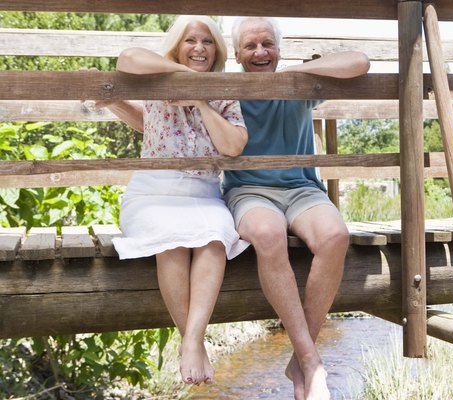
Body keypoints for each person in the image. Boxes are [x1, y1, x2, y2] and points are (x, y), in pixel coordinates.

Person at [97, 15, 249, 386]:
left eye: (208, 42)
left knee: (215, 238)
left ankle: (191, 339)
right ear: (177, 46)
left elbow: (232, 147)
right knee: (173, 241)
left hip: (203, 193)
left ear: (217, 51)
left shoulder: (224, 91)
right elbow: (128, 57)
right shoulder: (155, 78)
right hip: (153, 191)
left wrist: (199, 96)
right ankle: (195, 343)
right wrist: (179, 76)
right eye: (191, 40)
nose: (199, 48)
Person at [224, 17, 370, 400]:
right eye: (251, 46)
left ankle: (300, 358)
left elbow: (359, 62)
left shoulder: (298, 84)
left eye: (267, 44)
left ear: (278, 49)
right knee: (268, 234)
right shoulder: (225, 90)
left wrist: (296, 73)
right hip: (249, 191)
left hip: (302, 189)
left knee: (336, 235)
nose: (260, 53)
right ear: (236, 53)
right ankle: (311, 361)